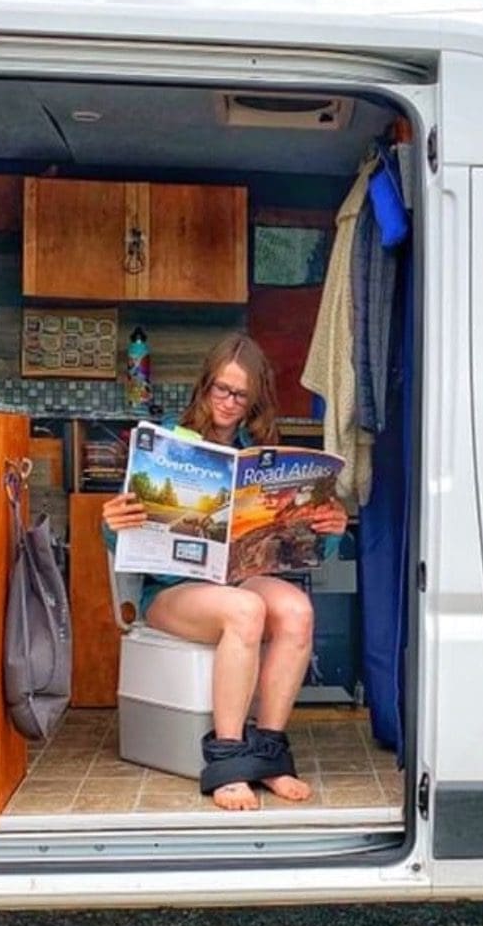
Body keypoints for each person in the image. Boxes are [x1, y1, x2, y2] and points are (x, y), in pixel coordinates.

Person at [102, 332, 349, 811]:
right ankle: (228, 760)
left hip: (234, 574)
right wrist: (111, 523)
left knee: (296, 610)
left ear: (255, 400)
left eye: (241, 395)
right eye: (222, 389)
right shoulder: (168, 443)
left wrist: (329, 527)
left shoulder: (257, 453)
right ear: (204, 385)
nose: (230, 403)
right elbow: (119, 539)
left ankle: (269, 753)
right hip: (172, 593)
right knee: (245, 610)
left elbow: (306, 549)